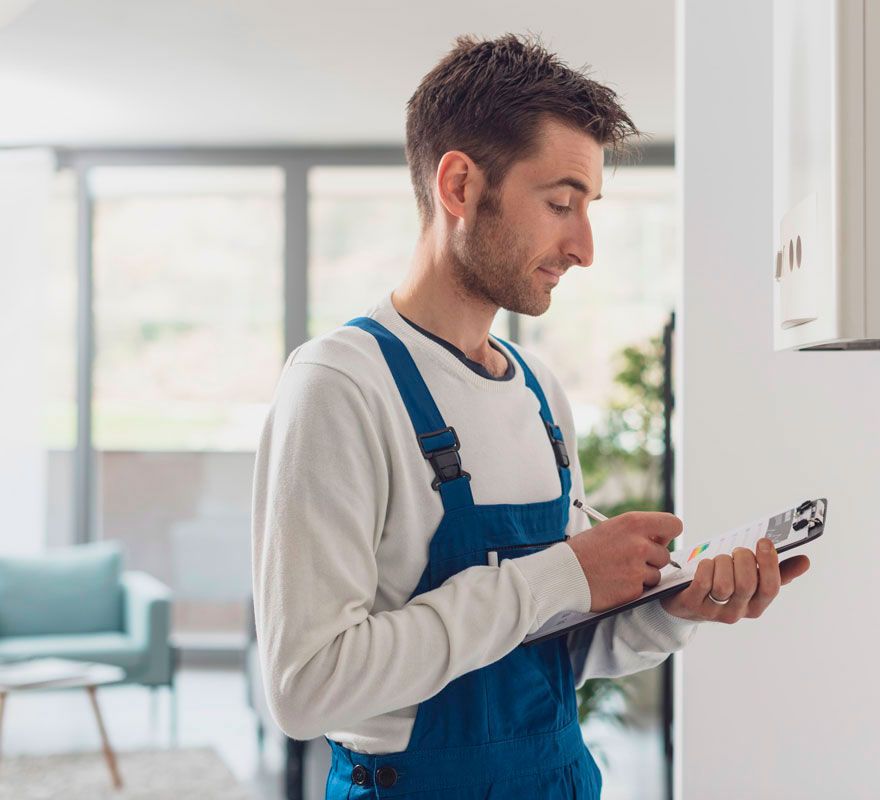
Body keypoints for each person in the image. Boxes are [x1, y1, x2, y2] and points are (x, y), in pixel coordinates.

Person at [250, 33, 812, 800]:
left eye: (588, 210)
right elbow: (306, 685)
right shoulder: (340, 385)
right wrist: (557, 574)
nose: (582, 247)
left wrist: (674, 607)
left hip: (558, 779)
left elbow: (554, 644)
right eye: (559, 204)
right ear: (458, 185)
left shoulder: (539, 392)